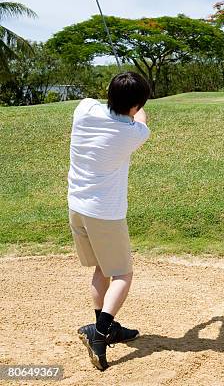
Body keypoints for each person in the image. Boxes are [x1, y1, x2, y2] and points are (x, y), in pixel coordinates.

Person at [67, 71, 151, 371]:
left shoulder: (84, 109)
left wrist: (126, 96)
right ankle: (102, 332)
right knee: (123, 275)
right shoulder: (133, 133)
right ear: (136, 104)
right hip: (105, 214)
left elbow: (117, 105)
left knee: (102, 268)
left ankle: (104, 326)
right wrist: (137, 103)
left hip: (77, 207)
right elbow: (140, 117)